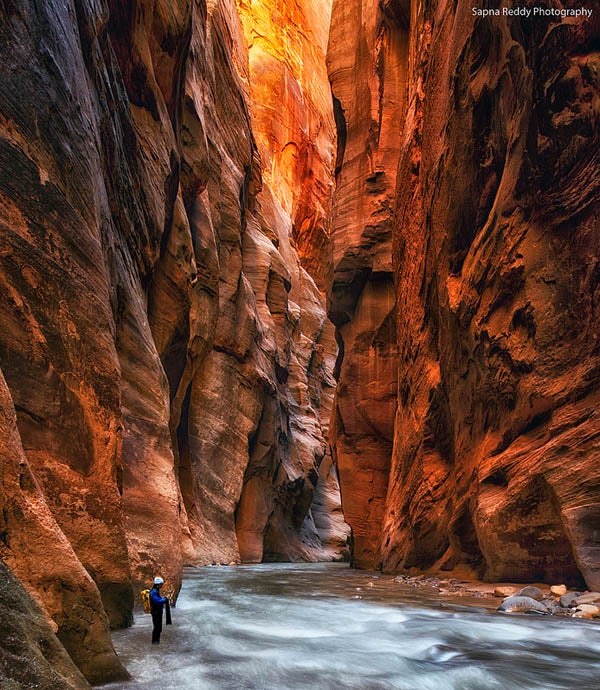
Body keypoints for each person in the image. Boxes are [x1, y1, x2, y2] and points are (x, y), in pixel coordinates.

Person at [150, 576, 170, 644]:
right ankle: (155, 642)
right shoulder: (153, 592)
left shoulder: (155, 591)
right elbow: (157, 601)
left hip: (157, 611)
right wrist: (165, 599)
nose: (162, 586)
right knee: (157, 628)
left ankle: (156, 641)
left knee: (158, 628)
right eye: (161, 584)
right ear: (158, 584)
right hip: (156, 612)